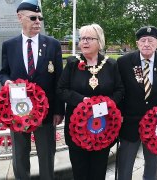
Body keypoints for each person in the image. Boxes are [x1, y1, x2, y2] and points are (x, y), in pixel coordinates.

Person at [0, 0, 65, 179]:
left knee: (46, 155)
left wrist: (59, 110)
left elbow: (59, 80)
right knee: (20, 155)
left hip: (46, 112)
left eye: (40, 18)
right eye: (33, 17)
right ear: (20, 18)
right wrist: (6, 83)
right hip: (18, 111)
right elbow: (4, 73)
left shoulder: (52, 44)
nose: (38, 21)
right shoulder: (9, 45)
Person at [57, 23, 124, 180]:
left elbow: (120, 91)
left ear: (99, 41)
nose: (84, 42)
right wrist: (83, 101)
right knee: (79, 172)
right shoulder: (72, 63)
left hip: (104, 130)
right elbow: (61, 90)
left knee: (98, 172)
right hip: (76, 130)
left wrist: (106, 104)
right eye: (82, 38)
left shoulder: (111, 65)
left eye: (89, 38)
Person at [117, 26, 157, 180]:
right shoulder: (124, 62)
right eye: (143, 40)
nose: (146, 44)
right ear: (137, 43)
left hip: (156, 125)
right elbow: (118, 90)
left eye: (150, 40)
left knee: (152, 167)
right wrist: (118, 114)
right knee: (124, 167)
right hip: (130, 123)